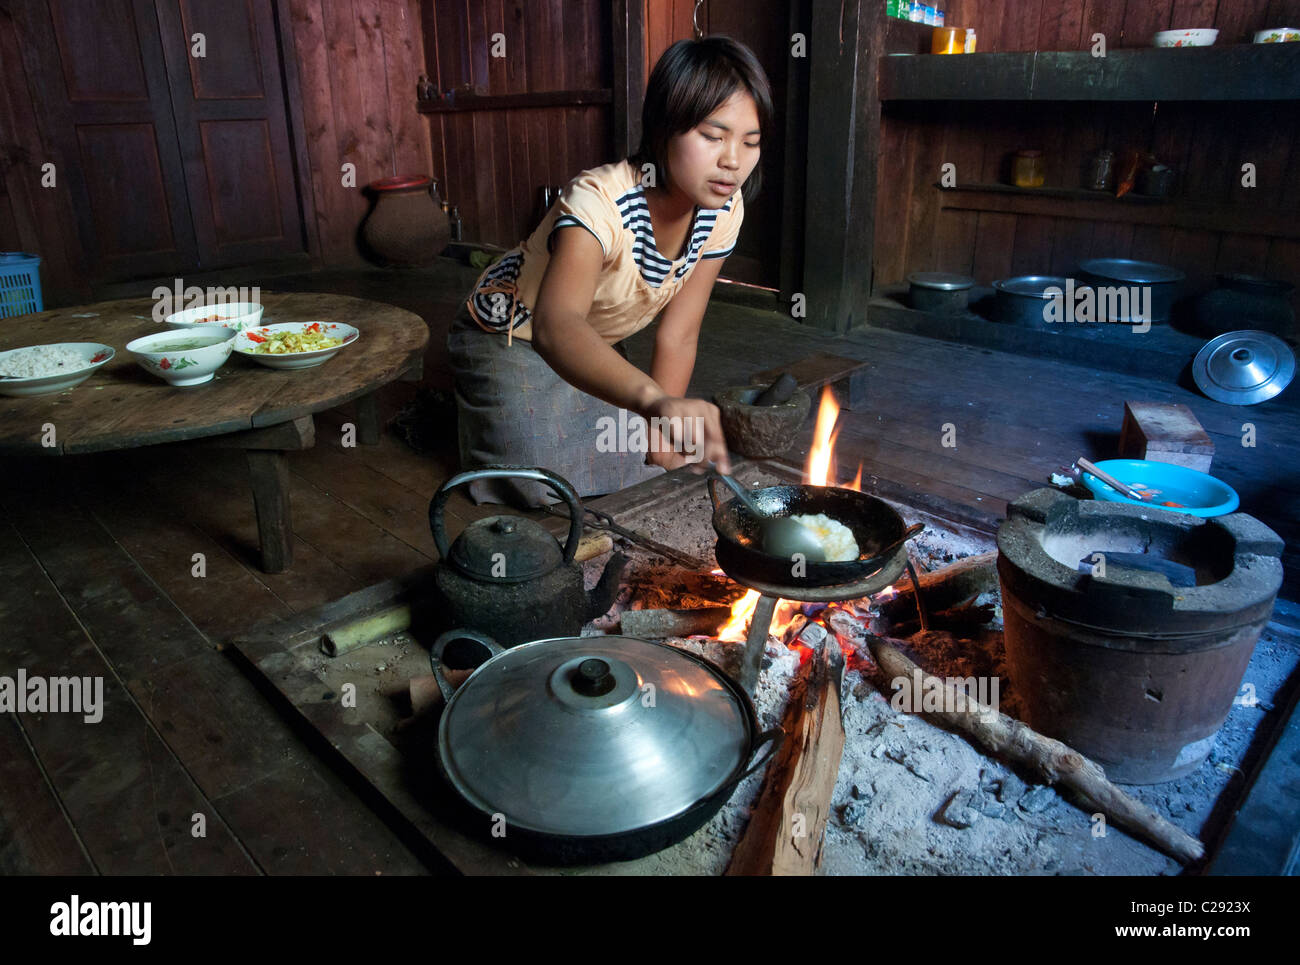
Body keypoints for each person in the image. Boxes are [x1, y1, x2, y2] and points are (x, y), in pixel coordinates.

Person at [448, 36, 772, 507]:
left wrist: (661, 435)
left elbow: (678, 336)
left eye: (751, 142)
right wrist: (656, 402)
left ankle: (535, 411)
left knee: (644, 452)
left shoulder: (724, 208)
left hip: (591, 343)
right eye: (712, 136)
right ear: (665, 127)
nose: (733, 161)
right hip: (511, 334)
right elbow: (558, 328)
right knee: (539, 480)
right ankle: (479, 407)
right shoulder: (599, 201)